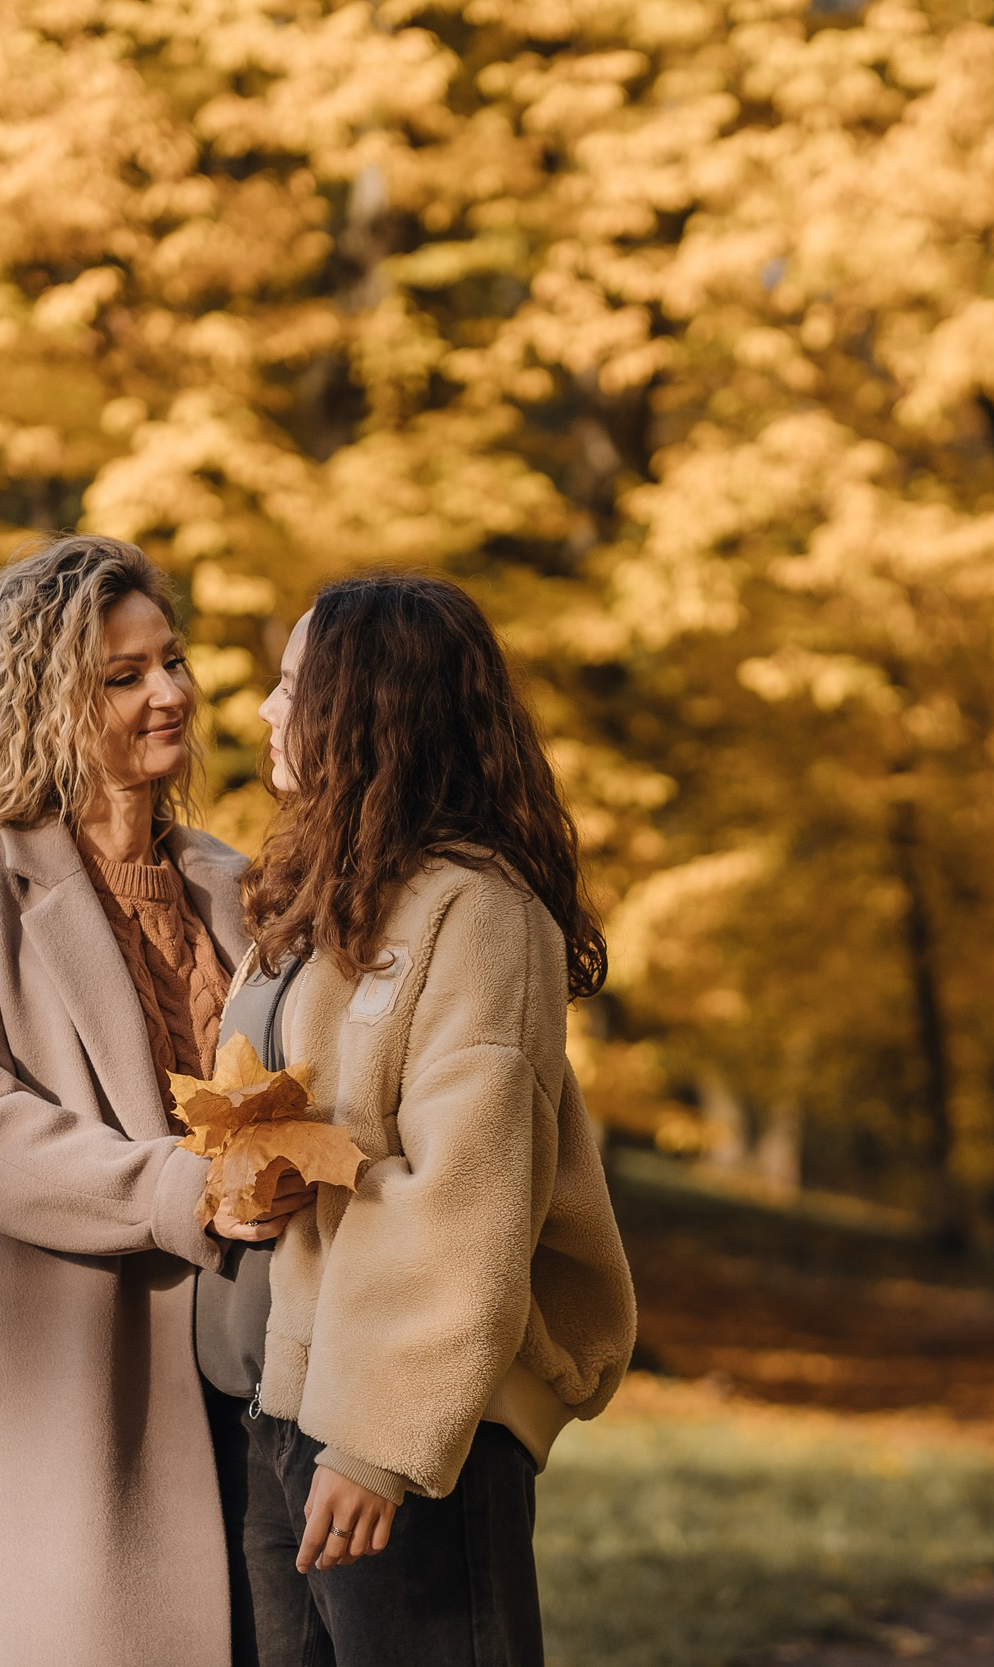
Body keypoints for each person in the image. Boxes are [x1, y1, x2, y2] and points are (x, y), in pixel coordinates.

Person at [0, 534, 308, 1667]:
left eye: (168, 661)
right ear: (46, 702)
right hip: (73, 1364)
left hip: (253, 1356)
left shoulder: (235, 882)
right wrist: (177, 1189)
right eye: (123, 677)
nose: (168, 692)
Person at [202, 571, 638, 1667]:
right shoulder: (312, 901)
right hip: (282, 1404)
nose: (263, 707)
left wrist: (379, 1444)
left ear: (366, 708)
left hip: (406, 1431)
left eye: (292, 683)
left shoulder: (479, 914)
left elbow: (464, 1199)